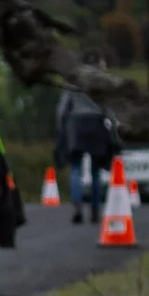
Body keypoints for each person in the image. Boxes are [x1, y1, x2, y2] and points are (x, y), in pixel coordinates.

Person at [52, 75, 119, 225]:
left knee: (76, 168)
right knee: (96, 170)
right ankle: (95, 209)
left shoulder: (73, 80)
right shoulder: (100, 81)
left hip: (76, 125)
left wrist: (61, 130)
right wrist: (113, 131)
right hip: (96, 124)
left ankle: (77, 207)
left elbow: (62, 110)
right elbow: (108, 109)